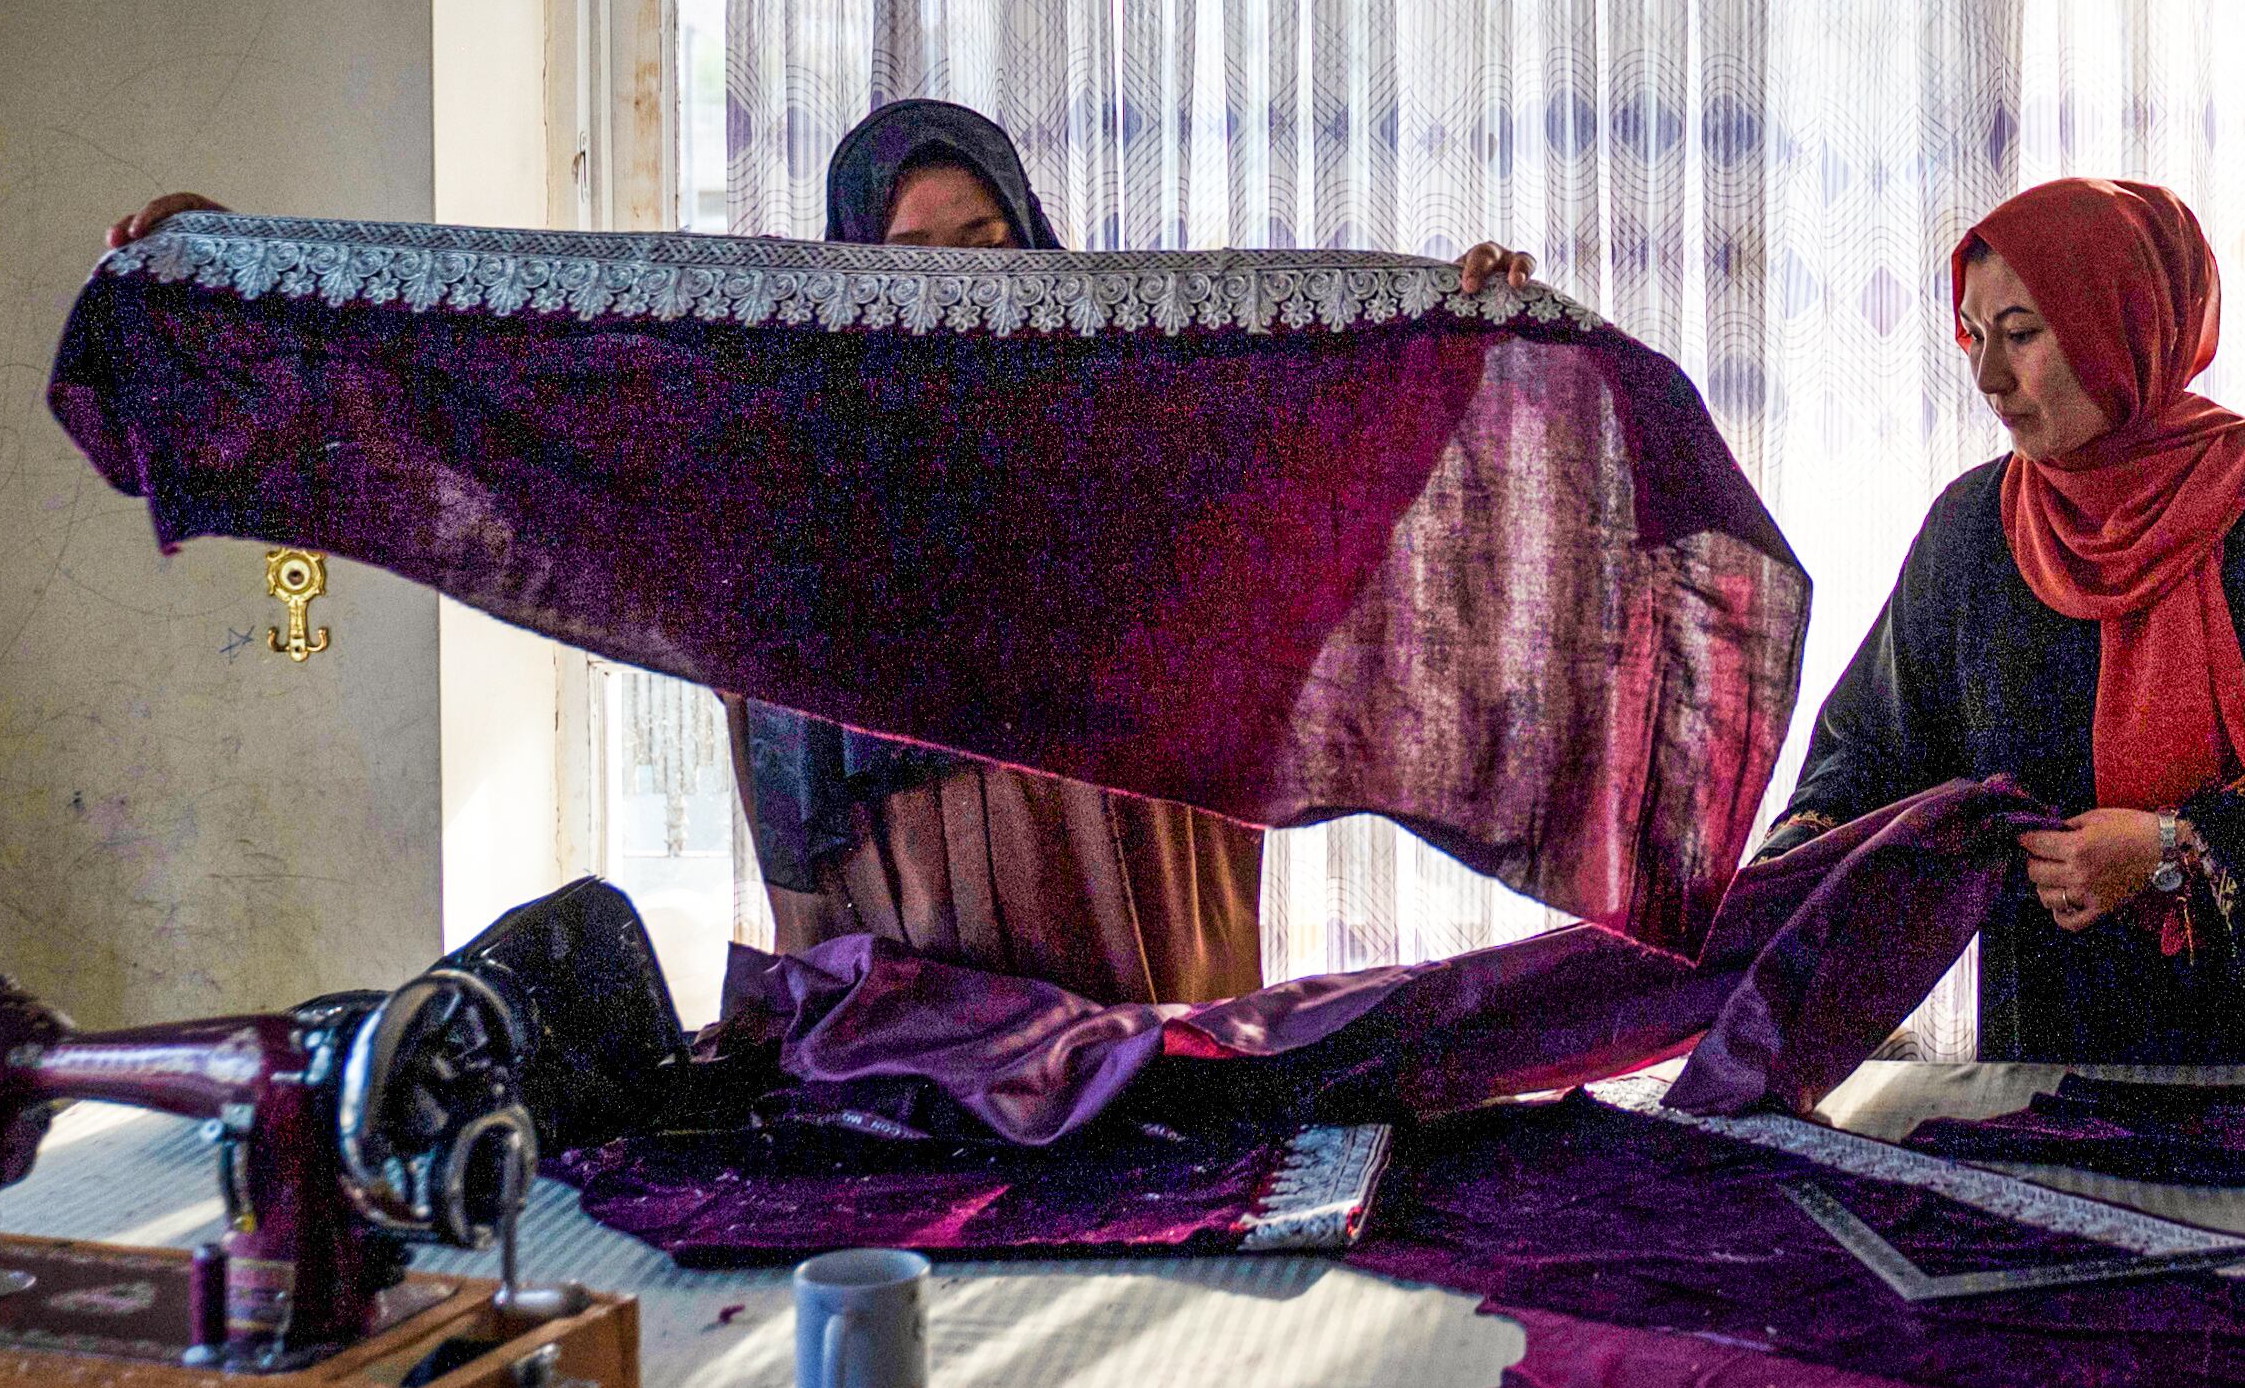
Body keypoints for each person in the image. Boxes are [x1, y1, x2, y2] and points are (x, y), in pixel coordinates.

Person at [101, 101, 1535, 1011]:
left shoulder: (1139, 394)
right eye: (919, 251)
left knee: (1156, 1151)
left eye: (990, 238)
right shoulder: (795, 433)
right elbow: (508, 382)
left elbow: (1323, 458)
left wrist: (1458, 334)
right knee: (932, 1164)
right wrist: (233, 274)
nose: (968, 281)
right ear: (857, 263)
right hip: (922, 889)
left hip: (1130, 865)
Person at [1763, 177, 2245, 1063]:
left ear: (2119, 329)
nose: (1988, 377)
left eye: (2022, 335)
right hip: (2056, 1051)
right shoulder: (1974, 534)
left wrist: (2178, 849)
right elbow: (1873, 761)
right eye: (1974, 334)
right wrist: (1758, 914)